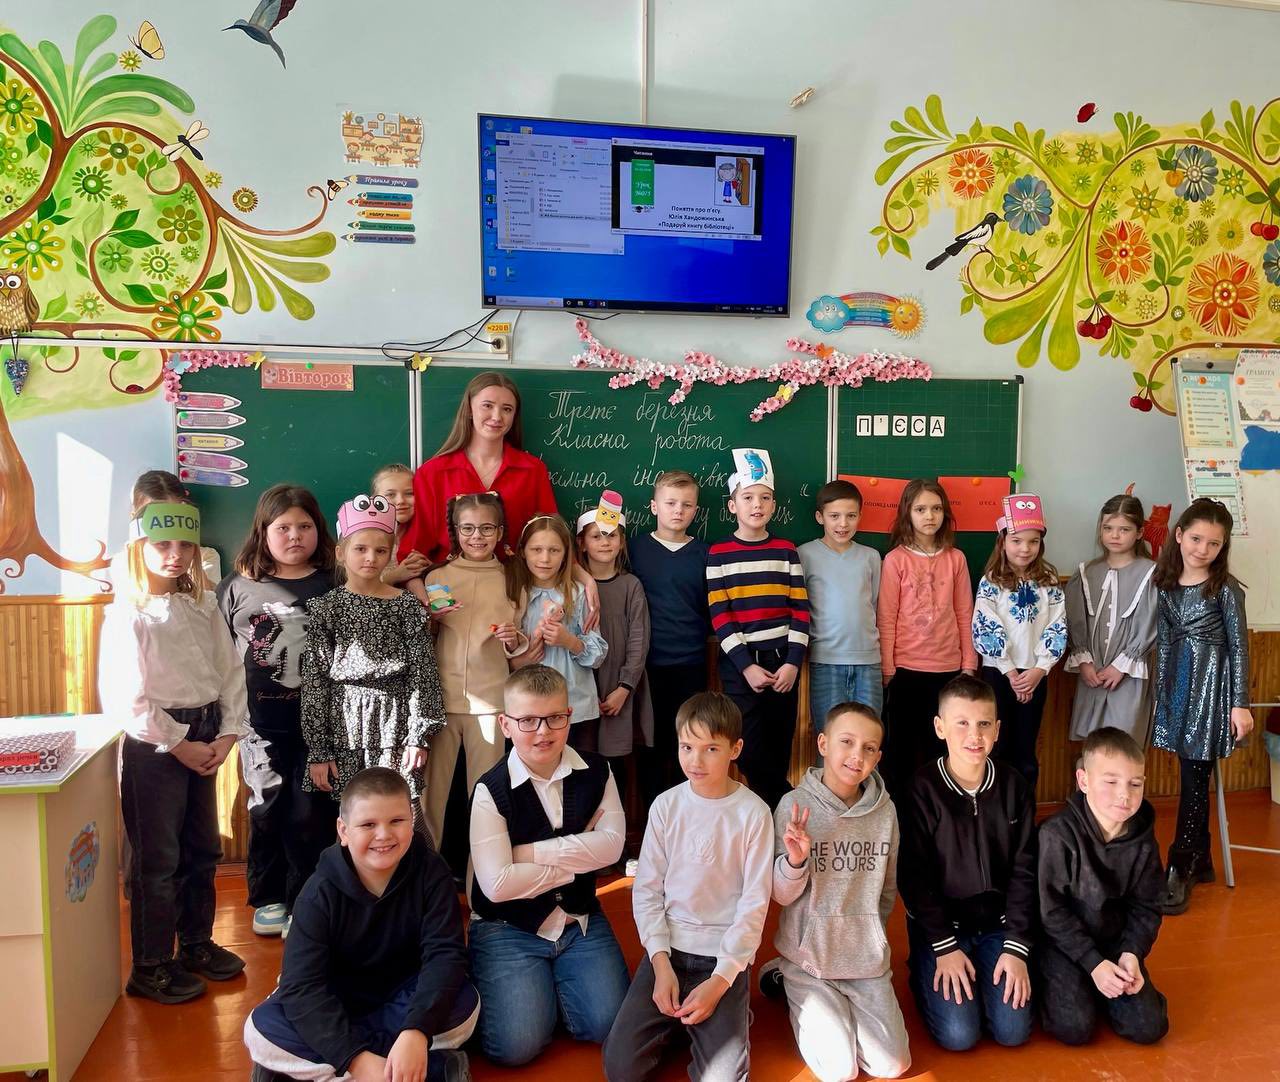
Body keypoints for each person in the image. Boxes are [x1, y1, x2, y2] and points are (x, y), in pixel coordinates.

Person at [99, 499, 248, 1004]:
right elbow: (127, 697)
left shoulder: (202, 605)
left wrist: (227, 734)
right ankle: (151, 964)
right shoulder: (130, 613)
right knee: (158, 858)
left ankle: (196, 943)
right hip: (157, 743)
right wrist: (179, 744)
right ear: (139, 548)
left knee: (201, 849)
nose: (175, 554)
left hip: (204, 731)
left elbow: (229, 670)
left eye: (185, 545)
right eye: (162, 544)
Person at [243, 767, 477, 1082]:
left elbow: (445, 955)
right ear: (343, 830)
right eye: (368, 824)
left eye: (396, 821)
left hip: (402, 1001)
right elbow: (302, 987)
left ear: (411, 821)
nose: (384, 835)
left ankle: (324, 1071)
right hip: (338, 1003)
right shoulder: (317, 894)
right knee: (260, 1029)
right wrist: (357, 1060)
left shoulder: (432, 872)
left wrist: (416, 1030)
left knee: (466, 1001)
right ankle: (424, 1069)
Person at [603, 692, 773, 1082]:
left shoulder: (754, 814)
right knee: (620, 1068)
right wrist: (660, 963)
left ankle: (723, 1010)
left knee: (723, 1078)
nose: (696, 760)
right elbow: (647, 890)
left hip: (722, 958)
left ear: (735, 749)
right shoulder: (665, 806)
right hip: (670, 952)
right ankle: (689, 1020)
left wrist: (722, 980)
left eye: (711, 748)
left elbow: (754, 904)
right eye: (687, 747)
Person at [468, 665, 630, 1067]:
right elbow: (497, 886)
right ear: (506, 725)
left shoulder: (598, 771)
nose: (543, 732)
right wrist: (579, 858)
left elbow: (612, 848)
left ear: (569, 716)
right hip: (508, 926)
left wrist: (525, 854)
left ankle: (551, 988)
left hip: (578, 920)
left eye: (555, 718)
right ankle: (537, 990)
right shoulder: (490, 789)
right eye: (528, 721)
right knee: (515, 1047)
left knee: (611, 1024)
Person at [759, 702, 911, 1082]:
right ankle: (786, 974)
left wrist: (869, 937)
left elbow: (887, 889)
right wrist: (796, 861)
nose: (857, 755)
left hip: (865, 962)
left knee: (893, 1065)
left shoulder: (886, 812)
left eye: (869, 748)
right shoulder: (794, 806)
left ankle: (837, 1003)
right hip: (810, 961)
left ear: (878, 757)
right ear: (823, 744)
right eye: (847, 742)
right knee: (839, 1071)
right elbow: (780, 895)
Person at [217, 484, 339, 938]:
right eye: (283, 527)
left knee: (310, 813)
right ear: (263, 531)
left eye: (304, 526)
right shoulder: (237, 587)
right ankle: (268, 896)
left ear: (318, 530)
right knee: (267, 807)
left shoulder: (334, 582)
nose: (294, 536)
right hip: (259, 726)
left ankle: (306, 898)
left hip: (319, 727)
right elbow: (219, 654)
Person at [897, 674, 1036, 1052]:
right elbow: (913, 877)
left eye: (984, 724)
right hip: (943, 928)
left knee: (1012, 1032)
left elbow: (1026, 870)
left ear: (997, 730)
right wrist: (944, 947)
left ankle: (991, 972)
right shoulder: (921, 789)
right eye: (962, 723)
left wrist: (1017, 947)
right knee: (960, 1035)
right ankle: (924, 968)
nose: (974, 735)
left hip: (998, 927)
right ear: (940, 727)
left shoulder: (1014, 786)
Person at [402, 370, 601, 621]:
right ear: (469, 409)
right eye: (487, 405)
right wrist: (425, 600)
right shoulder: (433, 473)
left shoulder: (532, 470)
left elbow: (552, 533)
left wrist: (586, 579)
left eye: (507, 409)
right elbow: (414, 551)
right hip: (450, 597)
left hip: (513, 595)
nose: (497, 417)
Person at [301, 494, 445, 830]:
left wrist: (417, 736)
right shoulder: (326, 608)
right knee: (354, 819)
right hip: (344, 725)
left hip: (395, 723)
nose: (371, 558)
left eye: (381, 551)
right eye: (361, 549)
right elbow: (315, 681)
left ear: (391, 554)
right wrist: (320, 750)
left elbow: (423, 674)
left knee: (400, 813)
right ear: (341, 553)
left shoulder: (406, 606)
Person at [1151, 498, 1253, 913]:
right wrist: (1162, 699)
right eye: (1196, 539)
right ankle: (1203, 859)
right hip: (1180, 689)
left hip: (1213, 692)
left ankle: (1180, 865)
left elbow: (1240, 647)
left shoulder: (1224, 589)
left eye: (1214, 543)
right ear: (1179, 535)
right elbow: (1163, 644)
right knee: (1192, 775)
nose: (1202, 549)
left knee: (1195, 779)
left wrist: (1240, 704)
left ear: (1223, 546)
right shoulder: (1166, 585)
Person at [1037, 727, 1168, 1047]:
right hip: (1064, 946)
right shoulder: (1057, 835)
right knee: (1074, 1029)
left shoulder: (1144, 842)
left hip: (1115, 943)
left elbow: (1147, 906)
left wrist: (1132, 952)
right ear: (1083, 781)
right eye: (1111, 782)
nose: (1125, 795)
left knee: (1149, 1028)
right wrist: (1091, 963)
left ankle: (1103, 988)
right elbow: (1052, 912)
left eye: (1135, 784)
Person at [421, 491, 527, 849]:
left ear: (500, 532)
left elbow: (519, 644)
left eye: (486, 528)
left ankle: (482, 880)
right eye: (467, 528)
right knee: (430, 798)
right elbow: (423, 637)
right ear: (455, 531)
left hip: (492, 701)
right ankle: (428, 876)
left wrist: (513, 640)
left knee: (486, 800)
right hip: (442, 699)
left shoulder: (512, 578)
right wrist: (431, 619)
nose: (476, 536)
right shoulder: (437, 577)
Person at [706, 448, 809, 810]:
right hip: (740, 666)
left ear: (774, 505)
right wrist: (746, 666)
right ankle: (783, 801)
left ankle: (773, 820)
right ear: (732, 505)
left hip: (783, 663)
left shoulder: (786, 551)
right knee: (747, 748)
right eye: (748, 497)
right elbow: (720, 615)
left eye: (765, 498)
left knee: (780, 745)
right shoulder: (719, 554)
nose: (757, 505)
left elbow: (800, 610)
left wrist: (793, 662)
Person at [877, 479, 978, 796]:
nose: (929, 516)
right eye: (920, 509)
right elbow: (886, 616)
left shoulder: (956, 559)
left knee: (941, 748)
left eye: (936, 508)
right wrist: (887, 665)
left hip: (948, 669)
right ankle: (902, 812)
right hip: (906, 669)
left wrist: (969, 662)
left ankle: (937, 810)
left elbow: (965, 612)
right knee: (902, 750)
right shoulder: (895, 560)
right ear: (907, 513)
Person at [970, 492, 1067, 795]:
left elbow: (1057, 626)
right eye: (1016, 541)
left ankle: (1023, 813)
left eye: (1033, 542)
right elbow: (985, 627)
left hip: (1035, 675)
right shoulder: (991, 581)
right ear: (1003, 542)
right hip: (999, 675)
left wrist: (1040, 669)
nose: (1025, 549)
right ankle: (994, 813)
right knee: (995, 747)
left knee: (1025, 750)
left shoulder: (1049, 581)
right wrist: (1011, 672)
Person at [628, 469, 711, 807]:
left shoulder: (705, 554)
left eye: (687, 505)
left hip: (691, 664)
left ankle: (684, 818)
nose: (678, 510)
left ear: (696, 510)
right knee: (650, 745)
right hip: (646, 667)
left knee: (688, 744)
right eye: (671, 503)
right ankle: (652, 822)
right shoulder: (633, 549)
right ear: (654, 506)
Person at [576, 491, 654, 811]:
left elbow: (639, 640)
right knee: (582, 761)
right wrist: (583, 693)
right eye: (596, 536)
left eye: (611, 536)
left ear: (621, 542)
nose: (605, 542)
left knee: (616, 764)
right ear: (582, 543)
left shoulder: (630, 586)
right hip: (582, 686)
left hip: (620, 687)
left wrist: (625, 687)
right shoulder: (573, 586)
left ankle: (617, 830)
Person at [507, 514, 608, 750]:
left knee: (580, 767)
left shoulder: (579, 594)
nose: (545, 558)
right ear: (523, 552)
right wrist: (516, 656)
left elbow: (598, 655)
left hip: (575, 706)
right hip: (527, 709)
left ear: (566, 555)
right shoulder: (514, 595)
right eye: (536, 550)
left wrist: (569, 641)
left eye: (554, 550)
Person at [1066, 493, 1159, 744]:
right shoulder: (1086, 572)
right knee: (1093, 743)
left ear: (1139, 533)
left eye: (1124, 529)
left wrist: (1121, 665)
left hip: (1128, 674)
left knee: (1123, 743)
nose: (1114, 535)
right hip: (1092, 672)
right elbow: (1075, 620)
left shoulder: (1151, 573)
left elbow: (1150, 622)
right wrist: (1084, 662)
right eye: (1108, 528)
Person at [799, 478, 883, 725]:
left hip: (868, 661)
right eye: (834, 516)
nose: (843, 524)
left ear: (860, 516)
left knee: (869, 733)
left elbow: (874, 603)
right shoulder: (804, 555)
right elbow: (800, 607)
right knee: (829, 733)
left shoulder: (871, 557)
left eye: (851, 516)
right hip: (826, 660)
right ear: (820, 517)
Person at [109, 469, 222, 588]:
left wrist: (194, 565)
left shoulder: (206, 556)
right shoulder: (123, 563)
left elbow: (212, 597)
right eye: (155, 515)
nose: (168, 523)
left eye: (175, 513)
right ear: (135, 519)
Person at [372, 463, 430, 603]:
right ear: (375, 499)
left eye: (409, 493)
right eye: (390, 494)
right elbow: (357, 587)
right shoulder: (365, 537)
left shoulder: (429, 533)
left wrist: (431, 567)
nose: (400, 501)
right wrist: (397, 575)